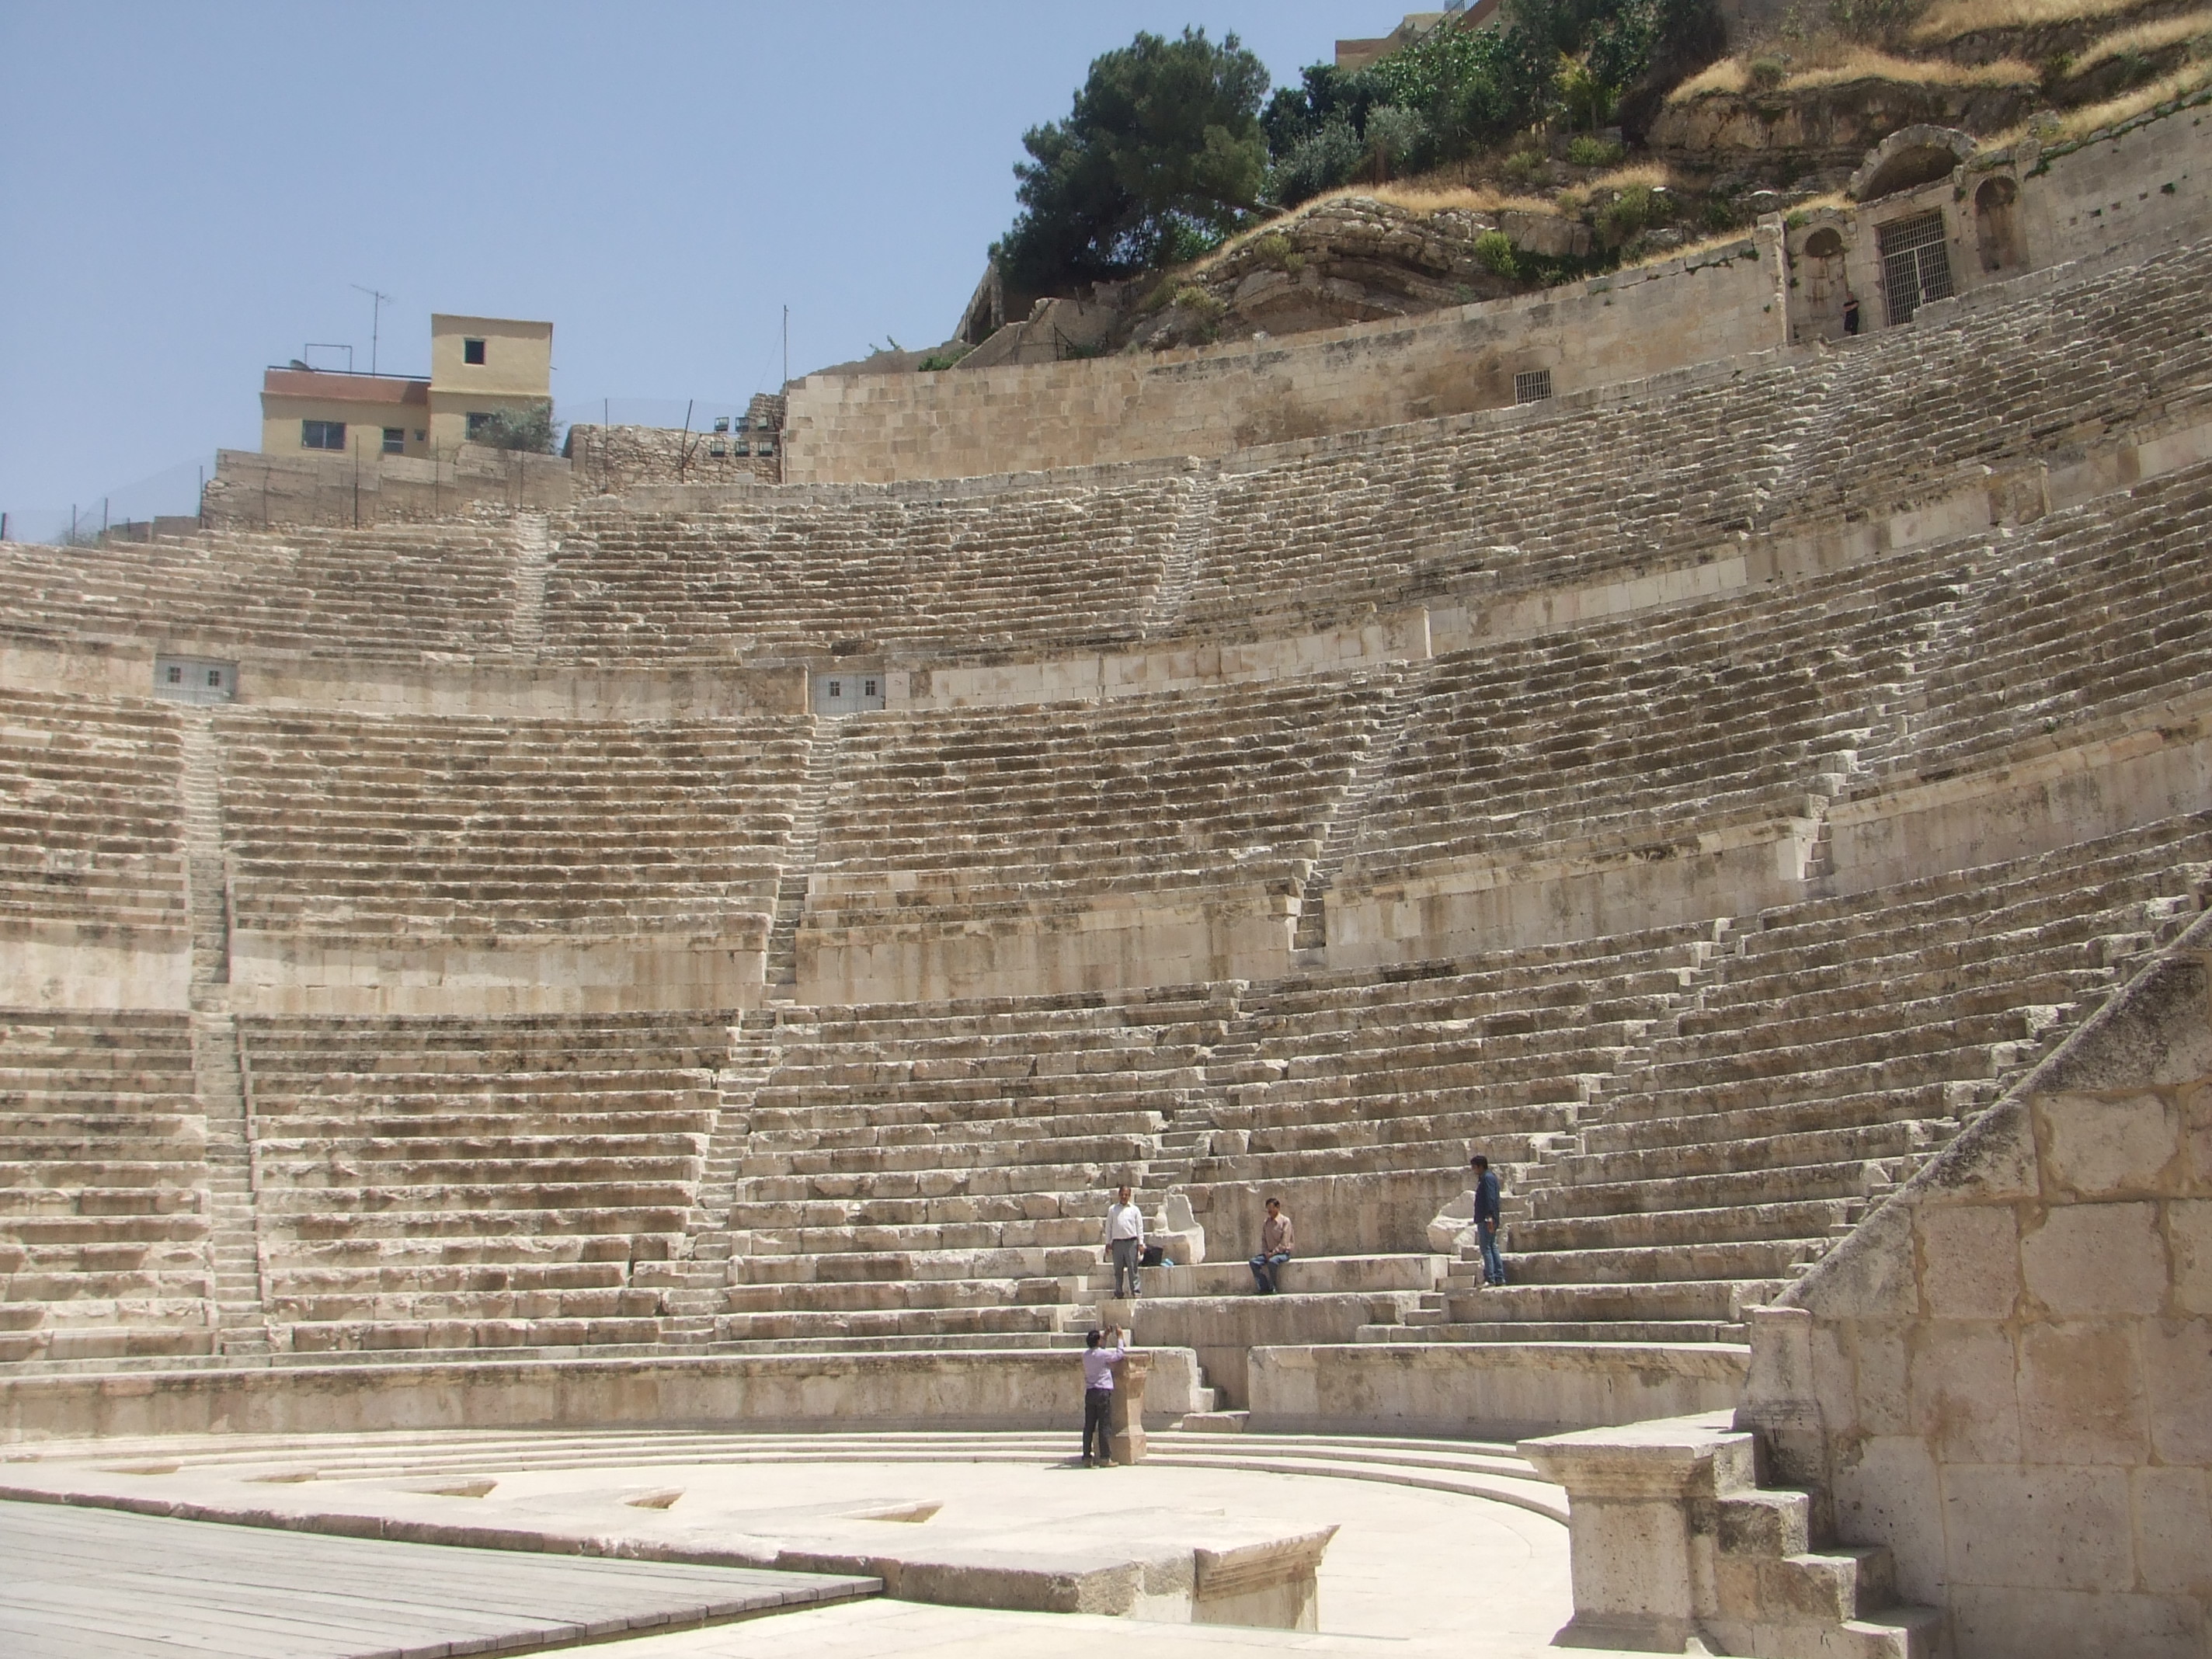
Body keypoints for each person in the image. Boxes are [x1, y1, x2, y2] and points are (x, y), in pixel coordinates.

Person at [1080, 1323, 1127, 1466]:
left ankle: (1087, 1457)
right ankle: (1105, 1457)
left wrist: (1105, 1336)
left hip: (1090, 1392)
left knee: (1089, 1426)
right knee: (1104, 1425)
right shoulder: (1102, 1354)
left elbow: (1099, 1352)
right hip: (1102, 1392)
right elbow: (1119, 1355)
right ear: (1098, 1341)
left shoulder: (1086, 1355)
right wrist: (1120, 1338)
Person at [1103, 1184, 1145, 1298]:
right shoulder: (1113, 1210)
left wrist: (1141, 1243)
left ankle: (1136, 1291)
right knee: (1118, 1269)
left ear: (1130, 1196)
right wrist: (1108, 1242)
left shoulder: (1135, 1210)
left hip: (1131, 1242)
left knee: (1133, 1269)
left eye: (1126, 1195)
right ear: (1119, 1195)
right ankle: (1118, 1292)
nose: (1124, 1197)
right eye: (1122, 1194)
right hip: (1117, 1243)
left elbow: (1139, 1227)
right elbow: (1109, 1227)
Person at [1471, 1154, 1505, 1286]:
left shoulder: (1487, 1179)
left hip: (1487, 1219)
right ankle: (1498, 1277)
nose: (1473, 1170)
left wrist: (1489, 1217)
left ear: (1480, 1166)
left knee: (1487, 1248)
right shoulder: (1486, 1178)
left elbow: (1490, 1198)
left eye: (1474, 1167)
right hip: (1487, 1218)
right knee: (1492, 1246)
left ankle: (1491, 1278)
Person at [1248, 1196, 1295, 1294]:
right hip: (1269, 1252)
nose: (1269, 1211)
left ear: (1277, 1208)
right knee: (1253, 1262)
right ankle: (1263, 1287)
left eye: (1271, 1208)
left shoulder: (1285, 1222)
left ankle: (1273, 1286)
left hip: (1282, 1253)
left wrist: (1273, 1253)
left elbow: (1284, 1242)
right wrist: (1266, 1252)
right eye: (1268, 1208)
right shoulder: (1266, 1223)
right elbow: (1264, 1239)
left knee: (1272, 1262)